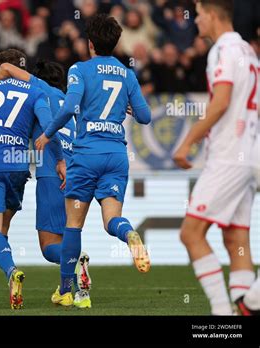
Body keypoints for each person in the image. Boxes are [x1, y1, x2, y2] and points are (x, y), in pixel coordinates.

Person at [35, 13, 152, 307]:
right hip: (116, 155)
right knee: (112, 219)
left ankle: (70, 293)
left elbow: (70, 105)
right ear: (115, 43)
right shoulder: (128, 74)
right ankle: (129, 235)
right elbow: (146, 116)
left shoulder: (79, 69)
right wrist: (127, 105)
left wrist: (48, 134)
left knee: (73, 225)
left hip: (86, 156)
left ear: (89, 43)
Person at [0, 60, 92, 308]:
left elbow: (46, 129)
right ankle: (69, 292)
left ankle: (73, 267)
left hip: (50, 172)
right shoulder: (70, 103)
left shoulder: (38, 91)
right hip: (78, 171)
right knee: (64, 235)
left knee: (47, 247)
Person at [173, 0, 259, 315]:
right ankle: (246, 310)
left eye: (198, 15)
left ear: (212, 15)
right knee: (235, 238)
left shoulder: (223, 50)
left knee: (191, 233)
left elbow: (220, 102)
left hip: (228, 156)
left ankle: (224, 313)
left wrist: (187, 143)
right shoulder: (250, 52)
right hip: (250, 152)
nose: (195, 21)